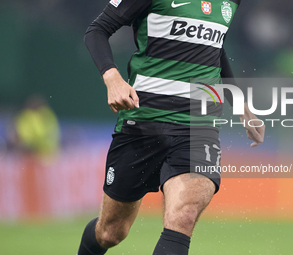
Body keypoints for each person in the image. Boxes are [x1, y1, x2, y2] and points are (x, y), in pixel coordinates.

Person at [77, 0, 265, 254]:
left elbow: (214, 48)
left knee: (183, 216)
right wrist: (112, 78)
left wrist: (242, 106)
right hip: (142, 121)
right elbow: (97, 30)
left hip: (198, 125)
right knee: (111, 232)